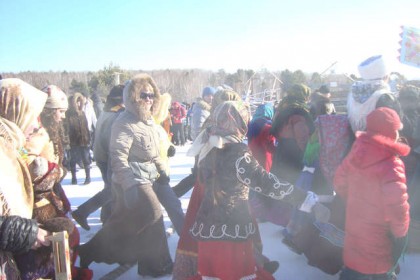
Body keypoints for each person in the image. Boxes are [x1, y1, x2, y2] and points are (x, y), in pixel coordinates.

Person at [187, 101, 330, 279]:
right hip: (232, 233)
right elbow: (267, 183)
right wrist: (305, 200)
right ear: (238, 121)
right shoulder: (237, 153)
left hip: (206, 231)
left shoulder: (207, 148)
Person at [77, 74, 173, 278]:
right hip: (130, 180)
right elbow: (118, 158)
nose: (148, 99)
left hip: (146, 177)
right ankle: (156, 265)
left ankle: (89, 250)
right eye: (143, 95)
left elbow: (153, 150)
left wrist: (161, 170)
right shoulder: (124, 122)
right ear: (132, 97)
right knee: (155, 214)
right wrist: (129, 186)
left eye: (151, 95)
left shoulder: (146, 121)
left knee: (124, 224)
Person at [334, 107, 410, 280]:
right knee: (379, 270)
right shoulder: (391, 164)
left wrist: (353, 201)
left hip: (355, 223)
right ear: (391, 132)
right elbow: (397, 206)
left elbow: (339, 180)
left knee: (356, 265)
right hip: (380, 232)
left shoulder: (357, 151)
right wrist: (400, 232)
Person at [0, 78, 51, 279]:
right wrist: (26, 234)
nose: (34, 126)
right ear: (16, 111)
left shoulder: (9, 144)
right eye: (32, 117)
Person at [72, 84, 125, 230]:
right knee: (113, 190)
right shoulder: (117, 114)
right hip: (109, 156)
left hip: (102, 154)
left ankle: (105, 218)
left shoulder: (107, 111)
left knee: (110, 188)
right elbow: (112, 139)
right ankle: (83, 211)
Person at [65, 92, 92, 185]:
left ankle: (88, 177)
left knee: (86, 159)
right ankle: (74, 178)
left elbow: (86, 126)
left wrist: (88, 138)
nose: (78, 104)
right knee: (73, 160)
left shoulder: (82, 113)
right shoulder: (68, 114)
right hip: (73, 141)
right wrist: (67, 141)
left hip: (84, 141)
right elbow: (66, 128)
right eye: (76, 102)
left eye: (79, 102)